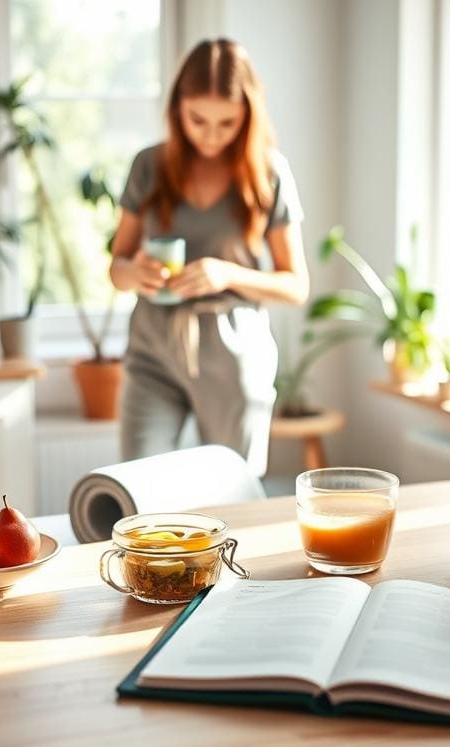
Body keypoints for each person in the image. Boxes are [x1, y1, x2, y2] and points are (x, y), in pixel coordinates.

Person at [110, 38, 309, 476]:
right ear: (178, 107)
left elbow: (296, 285)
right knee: (140, 489)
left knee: (229, 496)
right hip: (153, 345)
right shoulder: (150, 165)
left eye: (227, 123)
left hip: (233, 351)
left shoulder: (270, 173)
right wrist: (134, 272)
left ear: (248, 115)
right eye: (198, 120)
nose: (212, 136)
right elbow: (116, 267)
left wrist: (226, 274)